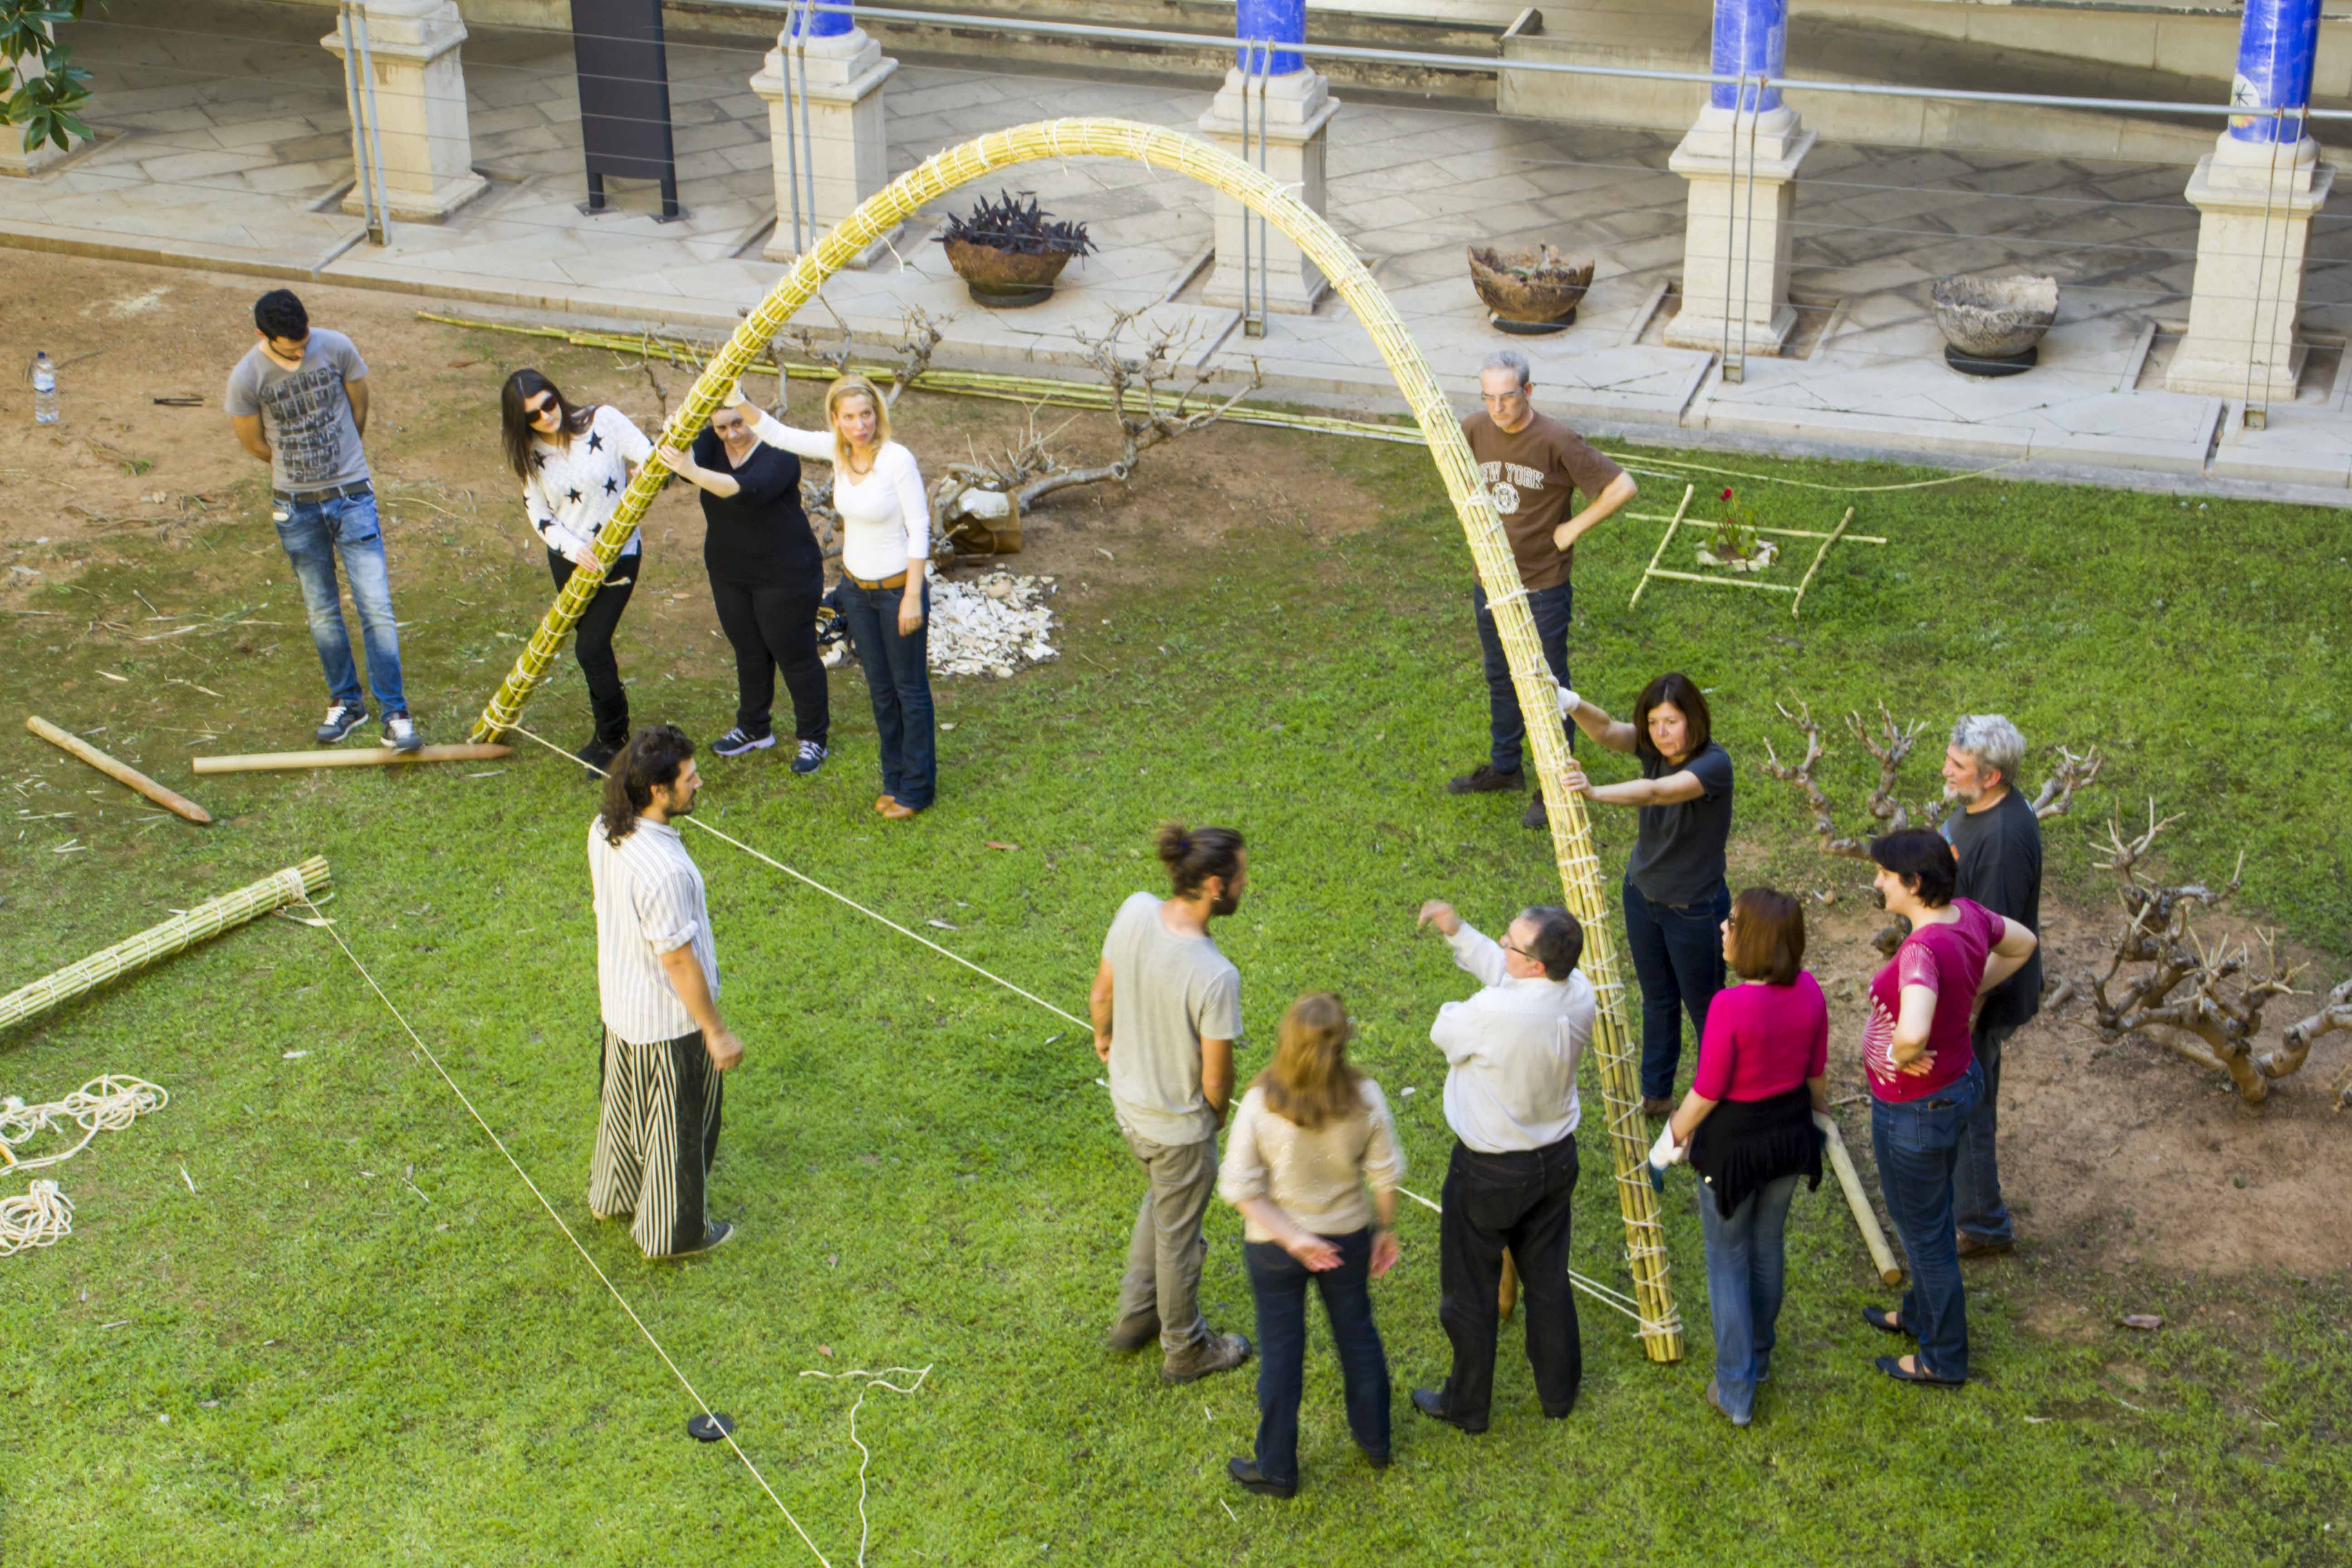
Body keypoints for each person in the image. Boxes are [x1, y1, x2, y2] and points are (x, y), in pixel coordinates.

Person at [1858, 829, 2037, 1388]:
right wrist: (1971, 990)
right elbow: (2024, 943)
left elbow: (1913, 1032)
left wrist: (1896, 1052)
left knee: (1924, 1234)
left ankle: (1942, 1357)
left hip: (1914, 1111)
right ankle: (1920, 1315)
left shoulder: (1921, 951)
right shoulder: (1970, 916)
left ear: (1914, 883)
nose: (1878, 882)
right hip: (1956, 1087)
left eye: (1886, 874)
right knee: (1929, 1217)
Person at [1410, 895, 1595, 1432]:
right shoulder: (1579, 992)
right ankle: (1559, 1393)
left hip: (1488, 1173)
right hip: (1555, 1162)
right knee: (1549, 1280)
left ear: (1536, 966)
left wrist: (1472, 996)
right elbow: (1509, 975)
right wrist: (1458, 931)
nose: (1502, 944)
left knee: (1470, 1290)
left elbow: (1446, 1030)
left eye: (1510, 943)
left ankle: (1467, 1405)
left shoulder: (1491, 1013)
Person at [1218, 993, 1403, 1498]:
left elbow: (1239, 1188)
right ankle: (1376, 1441)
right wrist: (1384, 1229)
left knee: (1282, 1355)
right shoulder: (1366, 1097)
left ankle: (1277, 1469)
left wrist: (1294, 1238)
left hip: (1274, 1248)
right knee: (1358, 1337)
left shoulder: (1261, 1102)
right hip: (1347, 1240)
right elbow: (1385, 1174)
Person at [1089, 824, 1254, 1387]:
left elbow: (1102, 993)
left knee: (1165, 1204)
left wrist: (1104, 1038)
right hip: (1177, 1131)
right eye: (1241, 877)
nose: (1246, 885)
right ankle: (1185, 1349)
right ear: (1215, 886)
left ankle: (1137, 1316)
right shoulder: (1215, 975)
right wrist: (1217, 1116)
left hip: (1129, 1108)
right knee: (1180, 1238)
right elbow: (1217, 1077)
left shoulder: (1136, 910)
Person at [1445, 348, 1637, 830]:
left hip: (1542, 586)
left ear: (1528, 391)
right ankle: (1506, 768)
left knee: (1549, 686)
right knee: (1500, 676)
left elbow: (1622, 487)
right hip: (1490, 580)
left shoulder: (1556, 440)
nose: (1497, 408)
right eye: (1488, 397)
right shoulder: (1474, 429)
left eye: (1507, 397)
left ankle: (1553, 786)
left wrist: (1571, 529)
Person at [225, 288, 420, 752]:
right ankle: (347, 702)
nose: (300, 351)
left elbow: (359, 409)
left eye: (304, 341)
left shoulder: (337, 347)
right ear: (263, 337)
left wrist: (342, 460)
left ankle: (395, 714)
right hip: (296, 508)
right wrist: (297, 469)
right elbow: (253, 444)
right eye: (290, 348)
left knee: (376, 606)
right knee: (322, 609)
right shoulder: (246, 376)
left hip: (352, 498)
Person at [1661, 888, 1828, 1427]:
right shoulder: (1810, 991)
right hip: (1789, 1139)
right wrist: (1820, 1121)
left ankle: (1735, 1390)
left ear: (1754, 939)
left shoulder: (1730, 1006)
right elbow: (1816, 1077)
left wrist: (1666, 1144)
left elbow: (1707, 1093)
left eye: (1731, 923)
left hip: (1732, 1152)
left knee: (1727, 1260)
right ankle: (1759, 1361)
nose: (1722, 929)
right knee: (1767, 1246)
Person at [736, 377, 936, 818]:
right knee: (880, 689)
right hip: (856, 591)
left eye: (866, 414)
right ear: (836, 419)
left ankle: (918, 788)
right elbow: (777, 433)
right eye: (849, 417)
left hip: (897, 590)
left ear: (877, 414)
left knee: (909, 691)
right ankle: (895, 780)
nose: (859, 425)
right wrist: (737, 401)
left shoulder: (897, 460)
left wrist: (913, 596)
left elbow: (920, 526)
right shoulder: (838, 452)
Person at [586, 725, 744, 1259]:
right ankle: (673, 1233)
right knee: (678, 1127)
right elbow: (678, 960)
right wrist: (715, 1032)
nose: (699, 784)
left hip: (621, 1005)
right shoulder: (666, 871)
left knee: (624, 1110)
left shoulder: (604, 828)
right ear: (658, 790)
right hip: (666, 1022)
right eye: (689, 778)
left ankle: (615, 1196)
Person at [1558, 673, 1734, 1116]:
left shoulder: (1713, 765)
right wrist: (1571, 702)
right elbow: (1606, 730)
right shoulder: (1654, 747)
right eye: (1654, 722)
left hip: (1694, 910)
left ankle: (1717, 1102)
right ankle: (1656, 1095)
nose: (1661, 732)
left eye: (1671, 722)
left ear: (1694, 719)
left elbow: (1657, 793)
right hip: (1641, 897)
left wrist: (1593, 792)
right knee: (1657, 1000)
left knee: (1708, 1012)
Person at [654, 396, 829, 772]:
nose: (732, 434)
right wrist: (676, 434)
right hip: (730, 571)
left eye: (738, 423)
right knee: (748, 650)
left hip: (786, 572)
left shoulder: (779, 450)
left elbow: (747, 491)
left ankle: (814, 738)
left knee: (795, 655)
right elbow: (679, 463)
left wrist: (693, 471)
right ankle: (753, 728)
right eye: (722, 427)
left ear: (751, 414)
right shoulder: (710, 443)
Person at [500, 369, 654, 772]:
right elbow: (540, 515)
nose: (546, 416)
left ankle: (615, 738)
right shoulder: (530, 455)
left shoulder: (603, 421)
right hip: (570, 560)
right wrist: (574, 549)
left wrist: (646, 472)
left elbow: (652, 457)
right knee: (592, 650)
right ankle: (607, 737)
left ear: (557, 395)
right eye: (533, 415)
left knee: (590, 647)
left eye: (549, 404)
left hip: (619, 555)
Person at [1940, 714, 2042, 1259]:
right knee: (1963, 1100)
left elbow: (1995, 944)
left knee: (1968, 1105)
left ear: (1992, 776)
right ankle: (1970, 1205)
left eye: (1958, 765)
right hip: (1957, 983)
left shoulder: (2003, 842)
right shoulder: (1978, 806)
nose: (1946, 771)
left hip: (1982, 997)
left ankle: (1983, 1224)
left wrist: (1964, 1010)